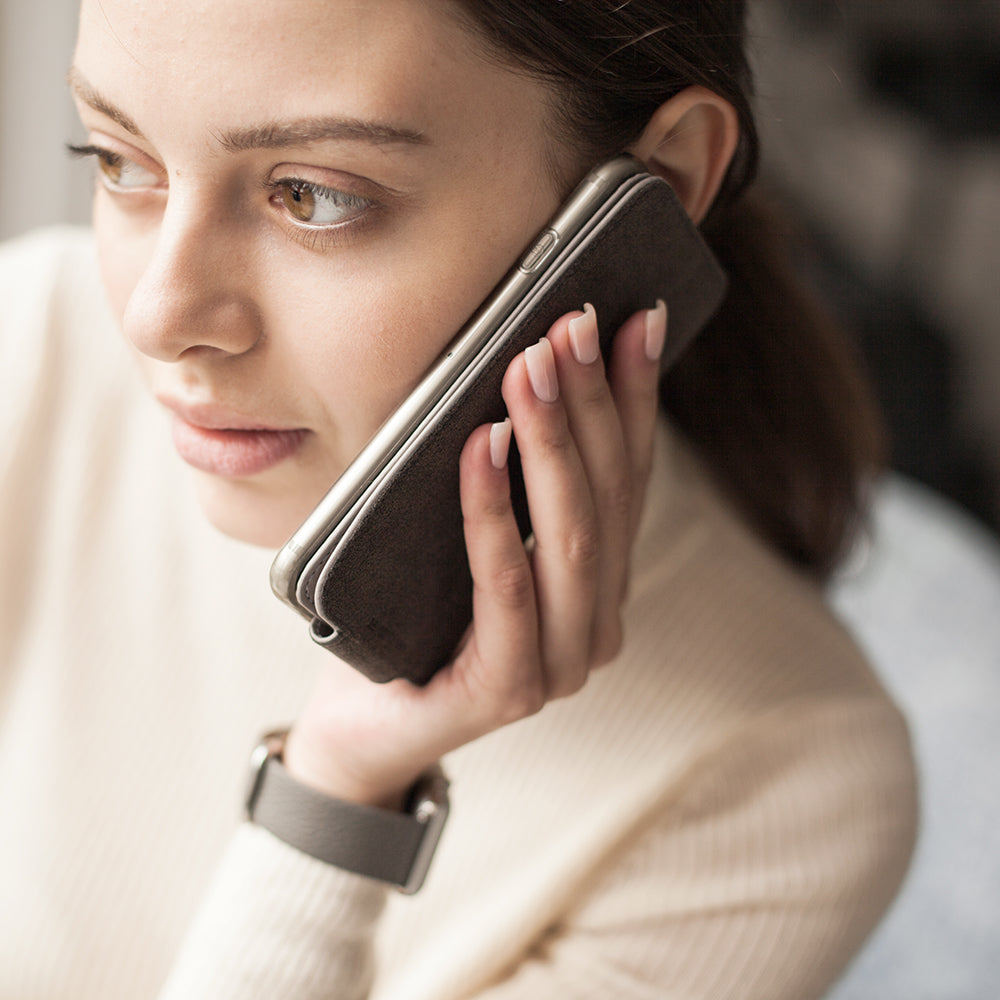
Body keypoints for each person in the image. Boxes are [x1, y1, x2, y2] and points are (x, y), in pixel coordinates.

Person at [0, 1, 917, 997]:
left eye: (312, 196)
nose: (158, 317)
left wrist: (338, 797)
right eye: (119, 159)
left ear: (662, 184)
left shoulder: (780, 783)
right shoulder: (26, 353)